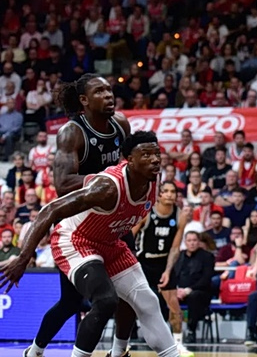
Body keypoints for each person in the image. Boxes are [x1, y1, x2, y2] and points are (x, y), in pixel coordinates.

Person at [0, 132, 180, 357]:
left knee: (148, 301)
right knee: (104, 301)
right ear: (129, 160)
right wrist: (23, 257)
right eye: (146, 154)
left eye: (157, 154)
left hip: (109, 241)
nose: (154, 160)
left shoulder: (154, 180)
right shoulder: (107, 187)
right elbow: (50, 210)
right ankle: (42, 351)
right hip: (76, 241)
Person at [23, 73, 136, 357]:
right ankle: (35, 351)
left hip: (114, 222)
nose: (108, 95)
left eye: (109, 90)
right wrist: (106, 182)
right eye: (100, 92)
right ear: (84, 100)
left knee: (130, 294)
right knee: (70, 303)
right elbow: (62, 183)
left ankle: (119, 352)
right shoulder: (71, 133)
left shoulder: (121, 124)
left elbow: (131, 165)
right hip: (78, 227)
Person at [133, 180, 192, 356]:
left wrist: (167, 271)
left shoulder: (180, 216)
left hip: (164, 263)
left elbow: (175, 248)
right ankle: (122, 342)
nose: (169, 194)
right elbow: (129, 236)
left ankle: (178, 344)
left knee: (174, 305)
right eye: (165, 191)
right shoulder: (146, 212)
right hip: (143, 262)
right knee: (130, 304)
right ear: (158, 195)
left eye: (173, 191)